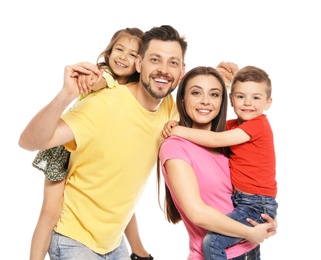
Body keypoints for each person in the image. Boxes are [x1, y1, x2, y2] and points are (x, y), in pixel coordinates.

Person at [29, 27, 156, 260]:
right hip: (67, 146)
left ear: (140, 62)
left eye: (131, 54)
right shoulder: (105, 76)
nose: (122, 56)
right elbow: (100, 81)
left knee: (117, 195)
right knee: (49, 212)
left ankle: (138, 249)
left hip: (95, 152)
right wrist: (90, 79)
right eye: (119, 49)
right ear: (108, 51)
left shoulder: (135, 93)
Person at [160, 65, 278, 259]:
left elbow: (247, 190)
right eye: (196, 92)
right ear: (182, 98)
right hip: (220, 252)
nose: (205, 101)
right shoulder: (175, 146)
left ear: (223, 100)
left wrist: (267, 222)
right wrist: (249, 232)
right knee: (211, 242)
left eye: (214, 94)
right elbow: (197, 213)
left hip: (249, 249)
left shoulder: (224, 139)